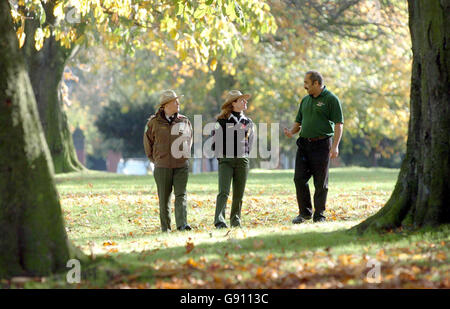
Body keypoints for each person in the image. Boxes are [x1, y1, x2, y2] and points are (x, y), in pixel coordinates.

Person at [284, 71, 344, 223]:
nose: (304, 86)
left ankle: (319, 215)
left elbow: (338, 124)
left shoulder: (331, 99)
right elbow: (299, 122)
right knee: (299, 179)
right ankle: (304, 213)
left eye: (307, 83)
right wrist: (291, 131)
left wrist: (335, 146)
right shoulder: (305, 100)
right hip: (304, 144)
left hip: (322, 144)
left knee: (320, 182)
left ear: (316, 83)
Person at [143, 90, 193, 232]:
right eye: (175, 101)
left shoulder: (184, 121)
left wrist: (185, 156)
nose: (178, 103)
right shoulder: (153, 123)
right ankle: (165, 227)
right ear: (165, 105)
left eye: (178, 101)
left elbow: (190, 140)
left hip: (181, 166)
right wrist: (157, 160)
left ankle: (182, 224)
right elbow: (148, 144)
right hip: (162, 166)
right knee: (164, 198)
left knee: (181, 194)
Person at [212, 90, 254, 229]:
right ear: (233, 103)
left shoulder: (248, 121)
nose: (245, 102)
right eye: (242, 100)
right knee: (223, 191)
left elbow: (250, 142)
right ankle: (219, 221)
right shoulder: (221, 121)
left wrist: (245, 154)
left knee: (239, 193)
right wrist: (221, 157)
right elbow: (215, 142)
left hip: (242, 160)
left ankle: (236, 220)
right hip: (226, 160)